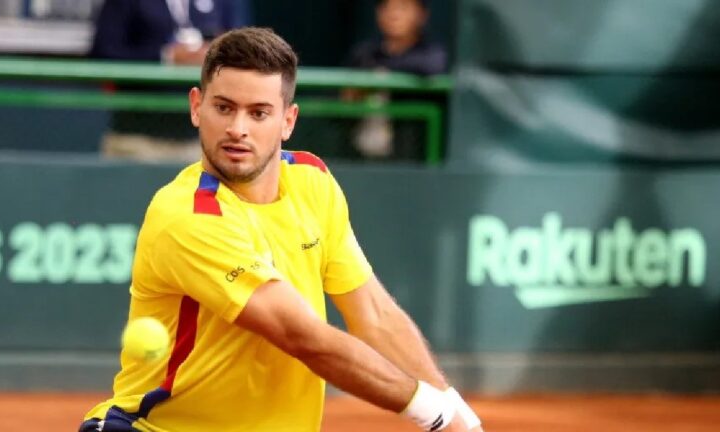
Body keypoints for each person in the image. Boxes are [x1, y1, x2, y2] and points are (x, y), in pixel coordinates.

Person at [79, 27, 482, 432]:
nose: (238, 128)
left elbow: (373, 314)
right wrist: (435, 413)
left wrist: (451, 402)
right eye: (224, 108)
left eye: (258, 113)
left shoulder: (312, 180)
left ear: (288, 120)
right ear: (196, 107)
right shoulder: (189, 215)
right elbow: (302, 336)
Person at [89, 0, 251, 162]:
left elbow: (243, 50)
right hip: (138, 137)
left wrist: (214, 53)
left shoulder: (224, 4)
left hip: (203, 141)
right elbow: (104, 52)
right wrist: (166, 56)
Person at [344, 0, 447, 159]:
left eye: (403, 8)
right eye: (387, 7)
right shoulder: (365, 55)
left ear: (421, 15)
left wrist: (382, 73)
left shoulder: (430, 54)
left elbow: (433, 67)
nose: (394, 14)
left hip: (411, 158)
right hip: (361, 153)